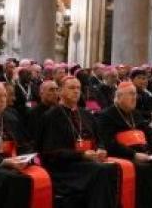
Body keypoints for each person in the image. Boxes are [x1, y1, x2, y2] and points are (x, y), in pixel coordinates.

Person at [37, 77, 120, 208]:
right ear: (60, 91)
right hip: (65, 168)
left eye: (78, 88)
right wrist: (81, 155)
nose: (76, 91)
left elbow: (99, 139)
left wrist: (100, 149)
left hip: (88, 162)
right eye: (71, 88)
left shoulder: (86, 114)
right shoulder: (51, 116)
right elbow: (50, 152)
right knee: (101, 171)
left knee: (112, 168)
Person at [97, 82, 152, 208]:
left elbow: (150, 133)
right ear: (119, 97)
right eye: (131, 94)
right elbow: (109, 143)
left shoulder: (135, 113)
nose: (134, 97)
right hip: (123, 155)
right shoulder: (106, 115)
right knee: (143, 169)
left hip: (144, 154)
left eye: (135, 94)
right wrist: (134, 154)